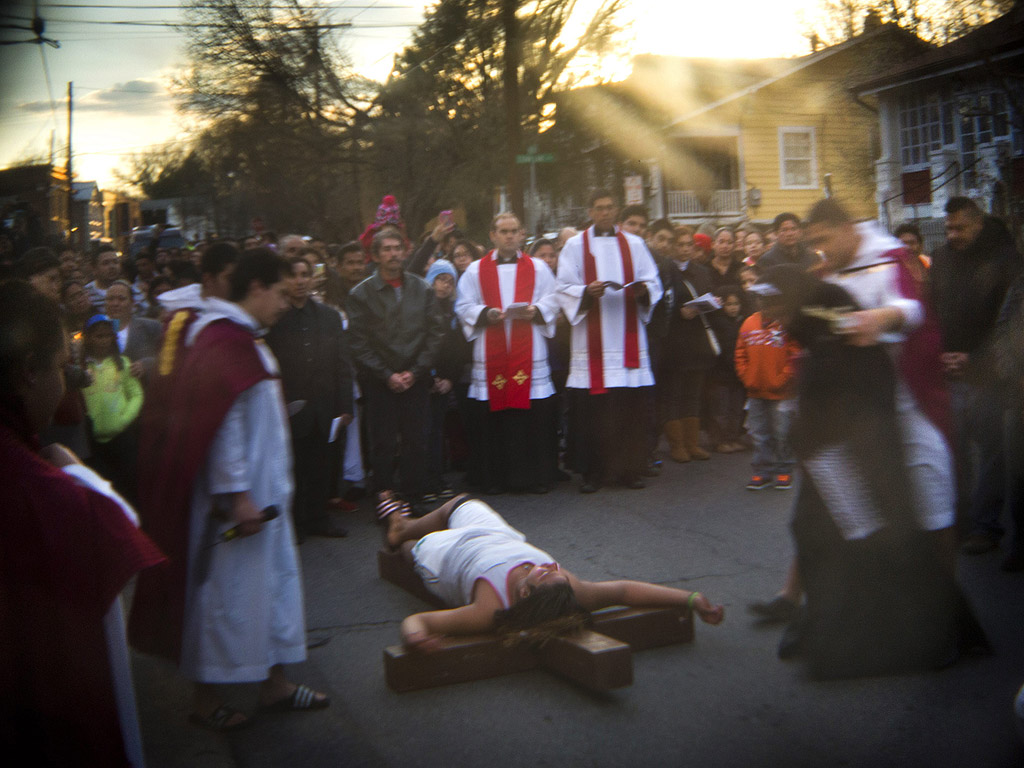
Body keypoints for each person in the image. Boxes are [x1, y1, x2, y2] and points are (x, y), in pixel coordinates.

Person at [130, 248, 328, 731]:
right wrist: (237, 495)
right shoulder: (223, 341)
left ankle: (275, 684)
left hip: (266, 498)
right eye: (281, 293)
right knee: (225, 599)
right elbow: (222, 427)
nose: (287, 302)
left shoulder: (242, 337)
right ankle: (205, 701)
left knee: (272, 589)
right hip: (240, 506)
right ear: (256, 287)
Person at [758, 266, 987, 679]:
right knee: (818, 536)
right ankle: (822, 626)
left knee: (882, 544)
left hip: (854, 455)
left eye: (773, 301)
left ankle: (938, 633)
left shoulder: (831, 318)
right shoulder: (815, 325)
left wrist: (830, 443)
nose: (767, 311)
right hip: (830, 454)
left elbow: (858, 386)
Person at [0, 280, 164, 766]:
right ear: (29, 373)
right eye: (58, 368)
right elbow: (112, 529)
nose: (64, 381)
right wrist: (72, 473)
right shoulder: (43, 496)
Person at [382, 494, 724, 651]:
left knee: (412, 551)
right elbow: (624, 592)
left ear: (525, 593)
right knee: (459, 503)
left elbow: (419, 623)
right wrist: (692, 598)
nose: (551, 566)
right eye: (554, 570)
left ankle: (403, 535)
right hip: (496, 535)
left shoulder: (489, 608)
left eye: (544, 573)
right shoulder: (569, 589)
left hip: (450, 554)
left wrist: (415, 638)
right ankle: (407, 522)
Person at [930, 197, 1022, 555]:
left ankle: (986, 526)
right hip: (949, 371)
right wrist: (941, 354)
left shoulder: (1005, 260)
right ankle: (962, 521)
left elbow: (1012, 323)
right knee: (953, 451)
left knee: (991, 452)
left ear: (978, 224)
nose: (952, 234)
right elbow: (933, 310)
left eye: (960, 228)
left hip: (990, 374)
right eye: (948, 227)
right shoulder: (942, 259)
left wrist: (976, 359)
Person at [556, 190, 663, 493]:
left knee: (629, 409)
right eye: (599, 208)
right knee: (595, 412)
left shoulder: (635, 244)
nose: (604, 213)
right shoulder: (575, 246)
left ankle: (629, 470)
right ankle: (592, 472)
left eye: (609, 207)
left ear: (616, 210)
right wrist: (585, 292)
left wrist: (643, 291)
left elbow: (653, 282)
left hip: (626, 336)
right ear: (590, 211)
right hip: (591, 341)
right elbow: (563, 287)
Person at [455, 212, 560, 495]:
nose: (509, 236)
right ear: (492, 235)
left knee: (530, 416)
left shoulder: (538, 268)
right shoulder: (476, 271)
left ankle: (533, 477)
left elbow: (553, 298)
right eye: (503, 231)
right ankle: (494, 479)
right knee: (494, 415)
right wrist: (485, 313)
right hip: (492, 353)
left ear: (522, 233)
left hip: (529, 349)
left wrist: (535, 310)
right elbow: (463, 305)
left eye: (514, 230)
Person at [347, 229, 445, 507]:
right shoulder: (361, 294)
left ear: (405, 252)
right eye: (386, 249)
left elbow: (435, 334)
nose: (392, 254)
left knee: (417, 440)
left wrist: (415, 371)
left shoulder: (422, 288)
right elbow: (358, 342)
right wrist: (386, 374)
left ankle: (414, 497)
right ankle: (385, 500)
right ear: (376, 256)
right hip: (380, 381)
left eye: (397, 248)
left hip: (415, 378)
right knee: (383, 443)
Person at [266, 251, 354, 540]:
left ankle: (319, 518)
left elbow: (342, 362)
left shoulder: (328, 317)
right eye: (293, 276)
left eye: (305, 275)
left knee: (321, 466)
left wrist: (345, 405)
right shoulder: (274, 320)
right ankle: (295, 523)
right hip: (289, 408)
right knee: (294, 468)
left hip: (324, 406)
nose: (300, 281)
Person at [658, 226, 717, 463]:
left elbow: (710, 296)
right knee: (673, 393)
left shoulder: (701, 272)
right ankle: (677, 444)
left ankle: (692, 444)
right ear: (673, 247)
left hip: (697, 341)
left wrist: (708, 304)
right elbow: (658, 306)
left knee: (693, 393)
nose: (684, 250)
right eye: (680, 245)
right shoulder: (664, 271)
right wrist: (679, 312)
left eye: (688, 245)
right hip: (673, 341)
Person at [734, 285, 800, 488]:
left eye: (769, 301)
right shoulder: (749, 323)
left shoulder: (787, 324)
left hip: (782, 393)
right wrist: (747, 377)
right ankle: (762, 471)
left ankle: (784, 469)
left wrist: (783, 379)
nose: (764, 305)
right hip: (755, 391)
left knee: (782, 433)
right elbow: (740, 353)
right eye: (761, 301)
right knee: (759, 434)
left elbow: (796, 355)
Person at [707, 285, 748, 455]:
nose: (733, 308)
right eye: (729, 304)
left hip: (738, 374)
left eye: (736, 304)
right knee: (720, 410)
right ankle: (720, 440)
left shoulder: (743, 321)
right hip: (721, 373)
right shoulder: (717, 323)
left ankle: (733, 438)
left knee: (736, 409)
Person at [105, 280, 162, 383]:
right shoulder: (99, 332)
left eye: (121, 299)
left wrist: (147, 364)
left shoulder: (151, 327)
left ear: (132, 303)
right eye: (110, 299)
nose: (115, 303)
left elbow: (169, 357)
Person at [84, 245, 122, 311]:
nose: (112, 267)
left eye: (115, 262)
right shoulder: (86, 294)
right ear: (94, 269)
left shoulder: (132, 291)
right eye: (106, 263)